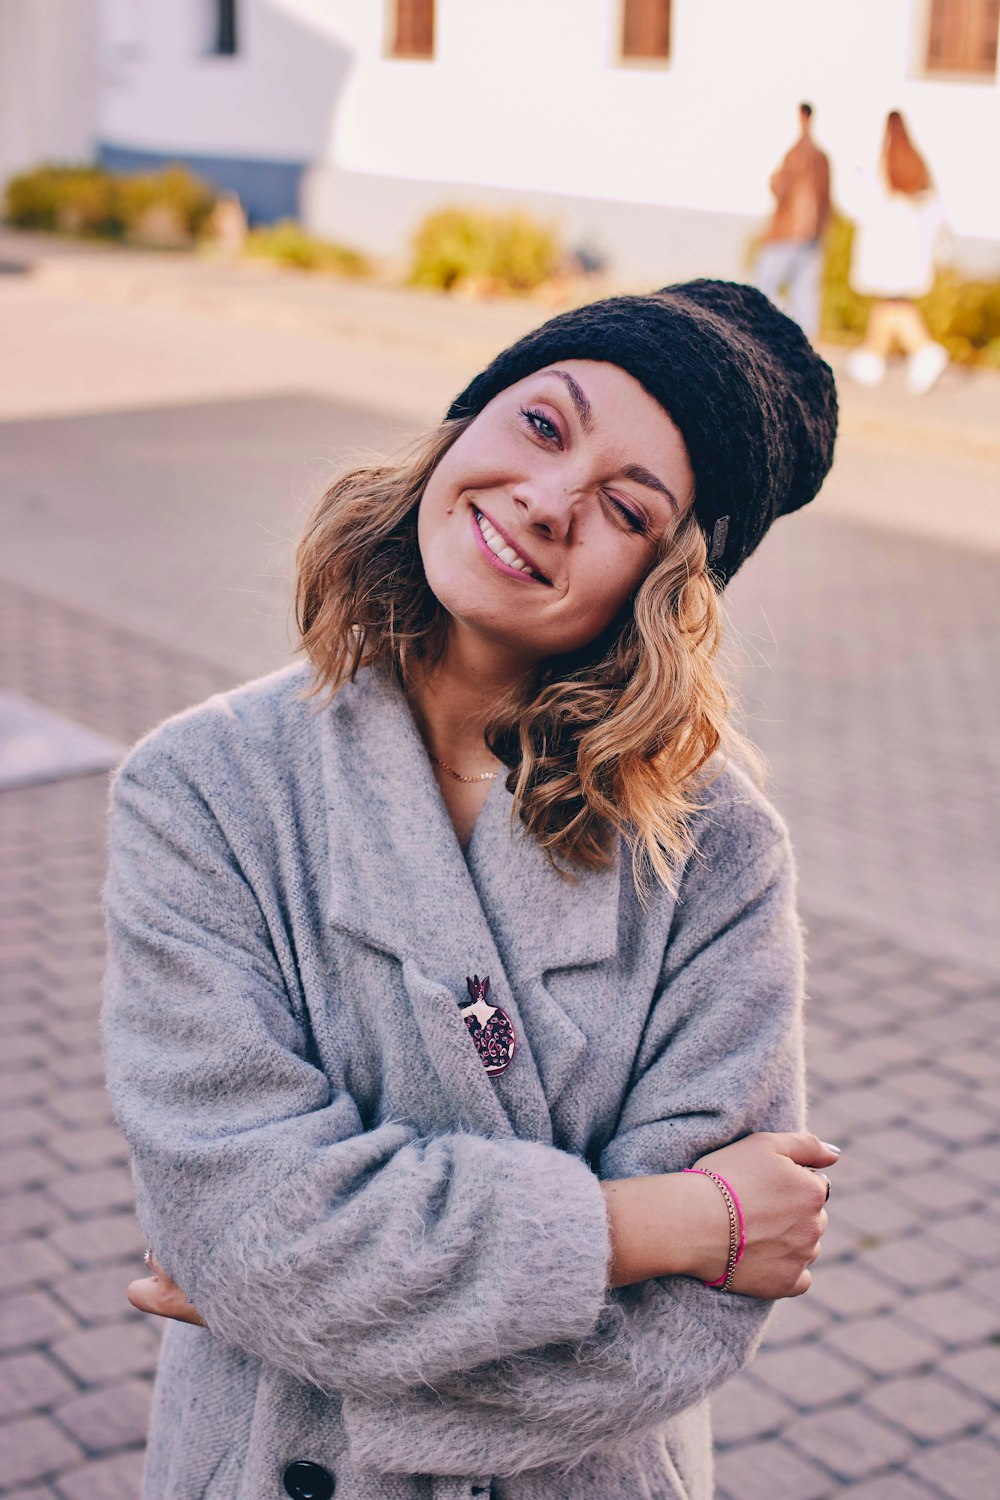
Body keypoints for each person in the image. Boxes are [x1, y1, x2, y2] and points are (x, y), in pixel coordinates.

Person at [103, 281, 840, 1500]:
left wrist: (297, 1308)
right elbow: (242, 1219)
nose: (548, 503)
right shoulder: (207, 788)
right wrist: (661, 1226)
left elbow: (681, 1333)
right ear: (465, 423)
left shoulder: (711, 853)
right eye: (544, 426)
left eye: (624, 506)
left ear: (667, 582)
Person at [845, 110, 949, 395]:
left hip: (889, 253)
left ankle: (923, 349)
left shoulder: (884, 171)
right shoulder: (917, 168)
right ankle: (872, 356)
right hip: (908, 254)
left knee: (894, 304)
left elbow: (864, 206)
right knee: (890, 305)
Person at [754, 102, 831, 342]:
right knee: (805, 291)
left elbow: (782, 188)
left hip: (790, 230)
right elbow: (827, 197)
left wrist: (774, 180)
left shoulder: (796, 154)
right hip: (813, 233)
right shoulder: (822, 156)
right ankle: (804, 340)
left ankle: (788, 331)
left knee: (763, 287)